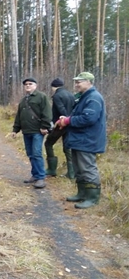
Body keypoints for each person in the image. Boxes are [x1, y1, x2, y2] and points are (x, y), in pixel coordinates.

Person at [57, 72, 106, 209]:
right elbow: (79, 115)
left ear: (89, 82)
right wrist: (65, 118)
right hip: (79, 139)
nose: (76, 84)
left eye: (80, 82)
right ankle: (82, 193)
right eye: (76, 82)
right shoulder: (84, 97)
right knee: (79, 169)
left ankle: (92, 198)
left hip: (88, 140)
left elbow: (89, 118)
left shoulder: (94, 98)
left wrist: (68, 120)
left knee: (88, 169)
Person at [11, 77, 52, 189]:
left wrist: (45, 126)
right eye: (26, 84)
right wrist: (15, 130)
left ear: (35, 85)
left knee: (37, 153)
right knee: (30, 154)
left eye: (30, 84)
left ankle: (40, 178)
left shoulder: (41, 97)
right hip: (26, 131)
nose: (28, 86)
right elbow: (19, 116)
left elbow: (47, 113)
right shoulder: (24, 100)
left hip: (38, 131)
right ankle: (35, 175)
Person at [44, 78, 75, 178]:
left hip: (61, 124)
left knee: (48, 143)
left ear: (53, 87)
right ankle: (71, 173)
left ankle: (52, 169)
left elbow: (61, 109)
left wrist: (63, 121)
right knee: (67, 147)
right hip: (71, 124)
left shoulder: (57, 96)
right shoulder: (71, 94)